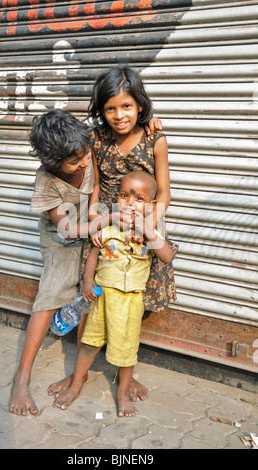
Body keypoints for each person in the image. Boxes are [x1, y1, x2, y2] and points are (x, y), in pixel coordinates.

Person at [48, 65, 177, 406]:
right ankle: (80, 374)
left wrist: (147, 224)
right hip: (108, 227)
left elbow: (163, 193)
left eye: (127, 106)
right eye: (110, 108)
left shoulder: (156, 138)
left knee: (136, 302)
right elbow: (94, 197)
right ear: (101, 109)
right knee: (90, 301)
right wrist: (99, 219)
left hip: (144, 228)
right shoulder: (96, 139)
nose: (119, 115)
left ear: (140, 105)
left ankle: (125, 375)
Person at [9, 109, 129, 416]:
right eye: (75, 162)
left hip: (89, 231)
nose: (84, 163)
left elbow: (99, 183)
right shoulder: (47, 180)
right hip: (60, 239)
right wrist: (103, 222)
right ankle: (21, 380)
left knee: (87, 298)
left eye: (85, 156)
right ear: (53, 162)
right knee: (49, 297)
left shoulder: (84, 151)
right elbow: (64, 228)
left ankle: (79, 373)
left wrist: (95, 217)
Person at [51, 171, 175, 417]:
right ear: (116, 200)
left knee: (127, 350)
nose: (130, 201)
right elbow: (93, 258)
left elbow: (167, 256)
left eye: (139, 198)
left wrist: (148, 231)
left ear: (150, 206)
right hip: (102, 298)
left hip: (130, 303)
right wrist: (87, 280)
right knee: (89, 342)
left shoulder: (151, 235)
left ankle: (122, 391)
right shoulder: (107, 229)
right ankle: (77, 382)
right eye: (125, 195)